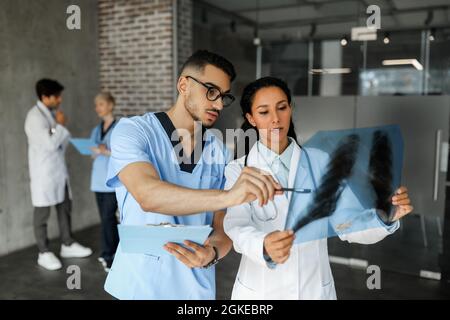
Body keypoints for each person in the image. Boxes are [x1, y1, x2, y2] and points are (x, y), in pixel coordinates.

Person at [103, 50, 282, 299]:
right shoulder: (133, 131)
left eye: (224, 97)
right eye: (211, 92)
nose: (219, 104)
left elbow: (222, 229)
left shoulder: (217, 150)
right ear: (184, 85)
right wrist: (229, 196)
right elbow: (148, 195)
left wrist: (213, 254)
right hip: (140, 286)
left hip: (195, 289)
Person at [223, 77, 413, 300]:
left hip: (312, 289)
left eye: (282, 108)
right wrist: (263, 244)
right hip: (260, 292)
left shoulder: (321, 163)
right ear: (251, 118)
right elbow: (236, 225)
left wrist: (385, 216)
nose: (275, 119)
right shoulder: (238, 170)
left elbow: (347, 223)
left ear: (290, 109)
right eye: (264, 112)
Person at [24, 79, 92, 271]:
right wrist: (60, 126)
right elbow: (50, 144)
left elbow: (58, 143)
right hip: (44, 174)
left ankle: (67, 244)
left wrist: (58, 127)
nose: (60, 99)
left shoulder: (50, 114)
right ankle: (43, 252)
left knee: (65, 207)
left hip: (58, 171)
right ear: (45, 97)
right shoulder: (34, 118)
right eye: (56, 96)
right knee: (42, 214)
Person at [89, 92, 119, 272]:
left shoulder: (120, 127)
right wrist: (94, 150)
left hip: (111, 182)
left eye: (100, 104)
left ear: (110, 105)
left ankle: (109, 255)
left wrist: (105, 150)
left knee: (108, 218)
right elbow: (92, 153)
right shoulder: (96, 129)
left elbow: (122, 153)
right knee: (105, 219)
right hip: (97, 180)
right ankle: (113, 250)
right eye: (96, 105)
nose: (97, 108)